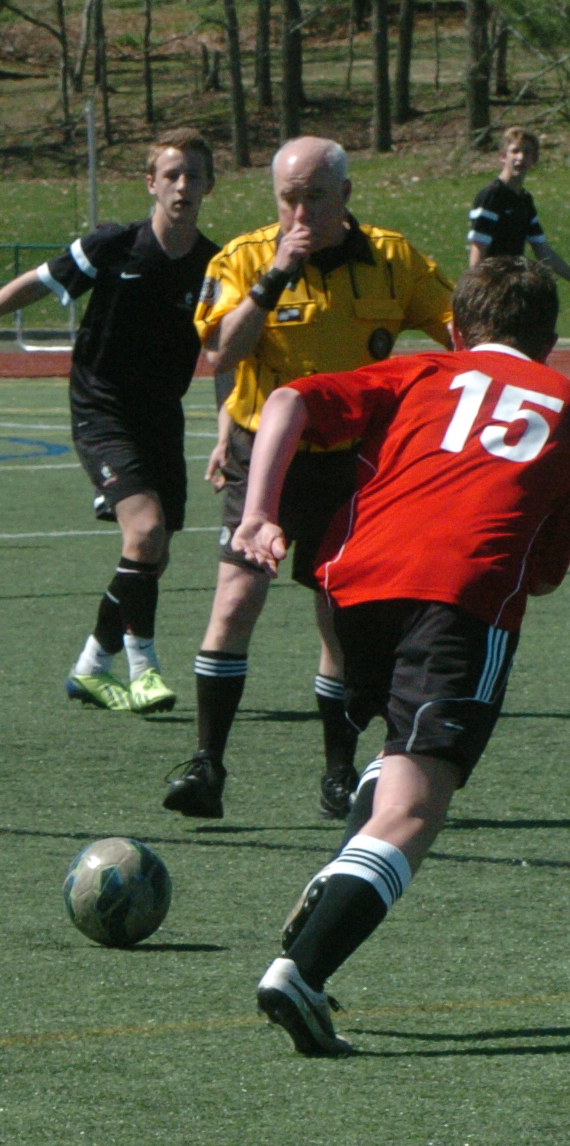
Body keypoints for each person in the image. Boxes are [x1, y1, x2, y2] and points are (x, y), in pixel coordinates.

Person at [229, 259, 570, 1055]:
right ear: (551, 340)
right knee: (417, 808)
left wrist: (258, 514)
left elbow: (285, 400)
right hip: (458, 597)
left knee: (396, 750)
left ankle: (344, 874)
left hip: (356, 587)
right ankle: (301, 971)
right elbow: (548, 570)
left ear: (455, 330)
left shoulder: (421, 370)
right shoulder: (563, 400)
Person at [163, 136, 453, 822]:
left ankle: (337, 772)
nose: (300, 213)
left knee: (339, 618)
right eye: (288, 199)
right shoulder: (242, 258)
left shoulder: (393, 260)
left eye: (315, 198)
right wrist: (274, 278)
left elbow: (459, 328)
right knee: (236, 599)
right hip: (264, 454)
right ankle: (205, 764)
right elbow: (220, 353)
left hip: (351, 462)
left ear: (345, 196)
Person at [0, 130, 219, 714]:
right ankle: (144, 670)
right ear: (151, 183)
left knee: (153, 554)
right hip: (102, 407)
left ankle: (92, 665)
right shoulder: (116, 244)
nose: (182, 185)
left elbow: (228, 346)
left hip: (161, 416)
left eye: (194, 175)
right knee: (144, 532)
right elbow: (40, 282)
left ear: (209, 185)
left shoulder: (216, 263)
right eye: (172, 175)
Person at [468, 127, 570, 283]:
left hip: (513, 283)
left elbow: (542, 250)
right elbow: (478, 252)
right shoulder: (492, 196)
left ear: (534, 160)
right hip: (492, 284)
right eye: (515, 151)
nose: (520, 157)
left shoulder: (524, 199)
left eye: (527, 152)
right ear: (503, 156)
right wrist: (479, 289)